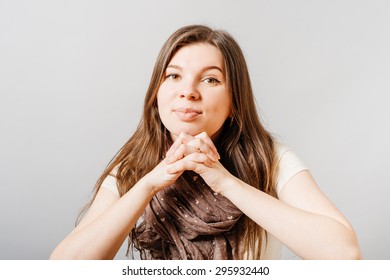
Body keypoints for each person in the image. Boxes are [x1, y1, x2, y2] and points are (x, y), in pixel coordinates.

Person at [50, 25, 361, 260]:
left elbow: (345, 255)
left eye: (210, 79)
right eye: (173, 76)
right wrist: (148, 184)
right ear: (156, 94)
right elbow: (63, 267)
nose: (188, 91)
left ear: (234, 100)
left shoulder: (270, 158)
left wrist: (226, 183)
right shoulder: (133, 165)